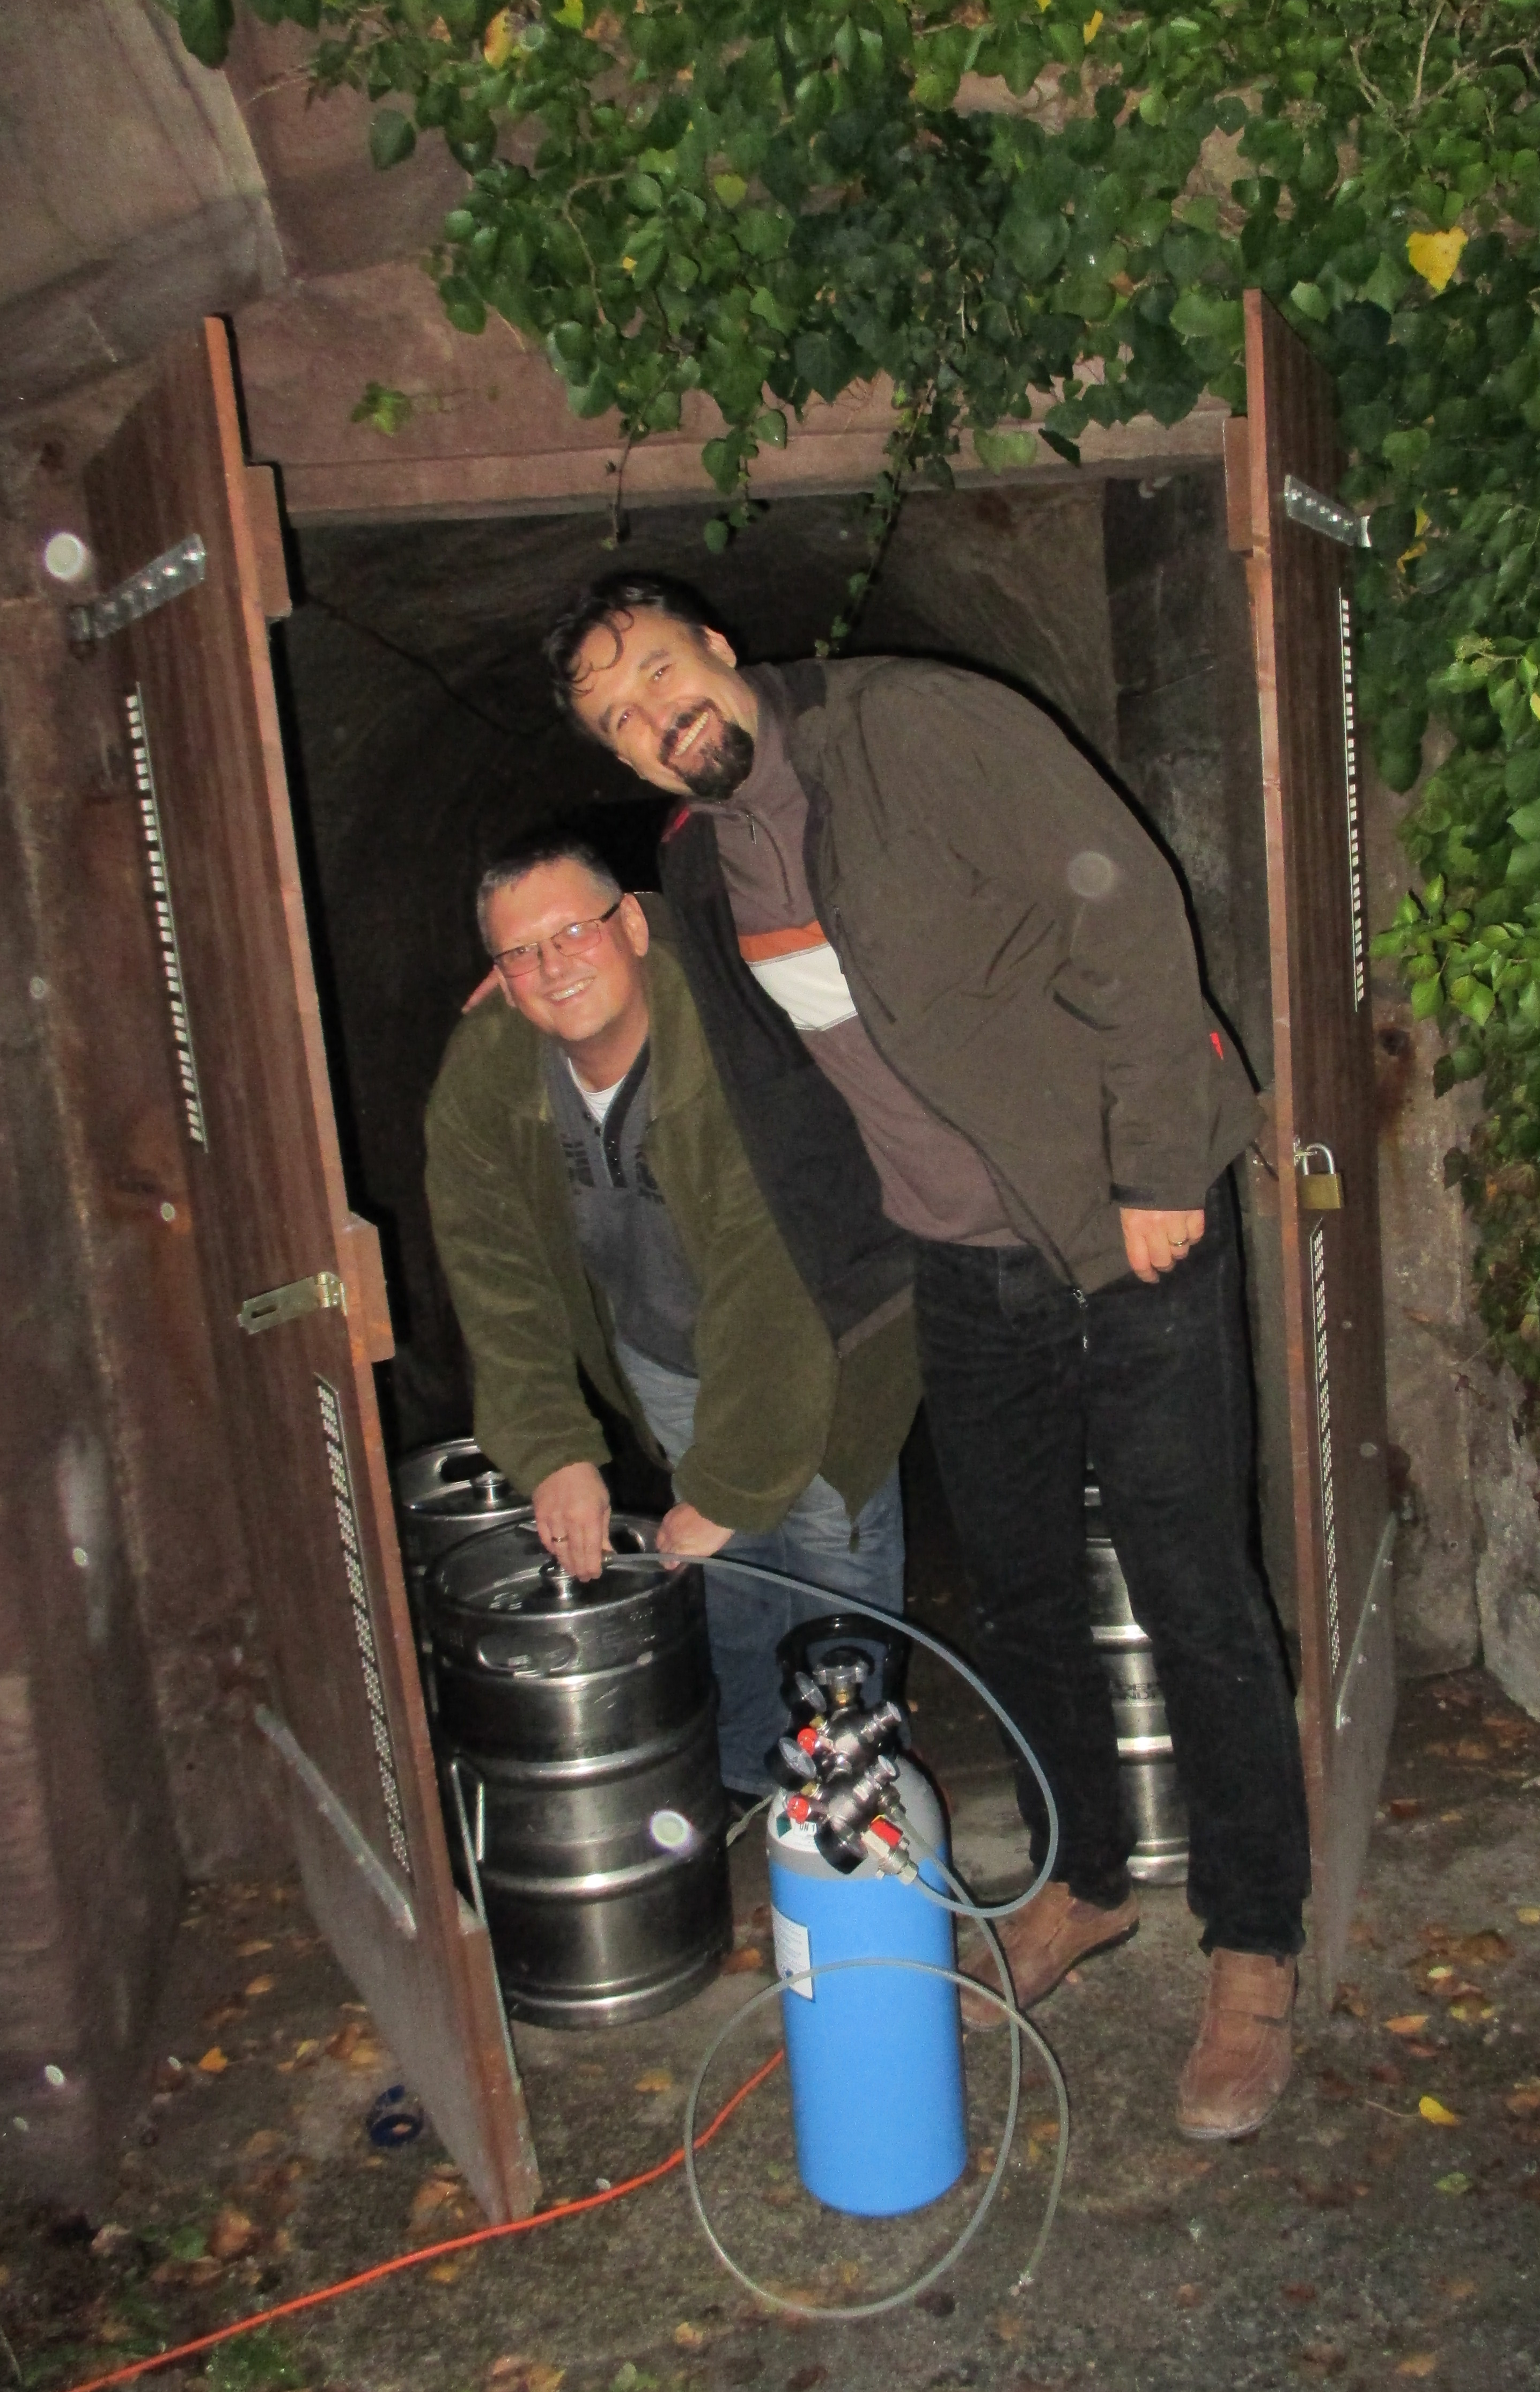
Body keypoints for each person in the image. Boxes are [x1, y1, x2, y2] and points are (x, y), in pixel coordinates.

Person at [539, 575, 1313, 2141]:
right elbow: (721, 1035)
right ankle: (1085, 1878)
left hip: (1129, 1224)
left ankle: (1255, 1944)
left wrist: (1162, 1162)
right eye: (618, 718)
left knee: (1192, 1587)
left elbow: (1124, 908)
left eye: (661, 673)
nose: (655, 717)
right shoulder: (698, 863)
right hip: (962, 1263)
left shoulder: (910, 726)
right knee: (1019, 1597)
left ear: (722, 649)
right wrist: (534, 995)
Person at [424, 829, 919, 1799]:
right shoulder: (488, 1076)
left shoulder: (737, 1046)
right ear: (500, 979)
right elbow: (495, 1272)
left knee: (831, 1560)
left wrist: (734, 1485)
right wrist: (554, 1450)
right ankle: (749, 1780)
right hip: (662, 1344)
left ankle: (853, 1802)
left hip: (829, 1335)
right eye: (521, 952)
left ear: (635, 927)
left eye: (575, 931)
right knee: (727, 1578)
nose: (553, 967)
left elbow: (771, 1282)